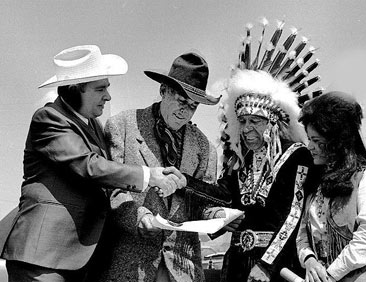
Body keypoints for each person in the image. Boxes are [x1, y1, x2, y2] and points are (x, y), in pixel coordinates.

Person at [0, 45, 186, 282]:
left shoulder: (94, 126)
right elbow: (90, 166)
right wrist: (150, 176)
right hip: (43, 259)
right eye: (100, 89)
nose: (108, 96)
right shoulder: (48, 118)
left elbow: (109, 177)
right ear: (75, 89)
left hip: (81, 260)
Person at [183, 19, 322, 282]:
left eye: (255, 121)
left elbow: (293, 217)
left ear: (273, 122)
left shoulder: (298, 156)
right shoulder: (241, 161)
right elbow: (223, 197)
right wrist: (185, 182)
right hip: (235, 264)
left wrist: (266, 265)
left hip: (276, 267)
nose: (247, 129)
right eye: (243, 121)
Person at [94, 52, 229, 282]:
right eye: (181, 101)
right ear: (163, 90)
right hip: (131, 267)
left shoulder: (206, 148)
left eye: (193, 106)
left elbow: (201, 203)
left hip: (183, 269)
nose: (185, 111)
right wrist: (139, 217)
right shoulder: (123, 126)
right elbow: (113, 190)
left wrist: (216, 215)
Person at [296, 91, 366, 282]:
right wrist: (310, 261)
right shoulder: (315, 184)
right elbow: (302, 234)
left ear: (336, 141)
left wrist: (331, 274)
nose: (310, 146)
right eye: (309, 139)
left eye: (316, 140)